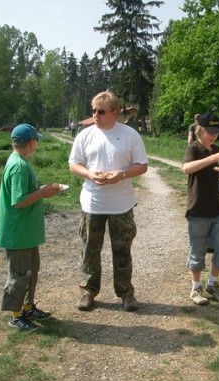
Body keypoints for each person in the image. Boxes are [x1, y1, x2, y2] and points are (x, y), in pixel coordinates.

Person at [69, 91, 148, 312]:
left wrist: (121, 175)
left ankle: (125, 294)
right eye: (93, 110)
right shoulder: (85, 136)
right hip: (92, 203)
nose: (95, 115)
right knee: (90, 250)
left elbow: (142, 165)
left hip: (121, 205)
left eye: (101, 111)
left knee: (122, 250)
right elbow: (74, 164)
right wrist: (89, 175)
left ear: (114, 112)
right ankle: (88, 292)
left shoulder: (130, 135)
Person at [0, 123, 61, 331]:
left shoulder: (19, 161)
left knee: (31, 270)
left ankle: (28, 307)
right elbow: (18, 201)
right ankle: (16, 315)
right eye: (37, 141)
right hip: (18, 233)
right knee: (19, 274)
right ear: (31, 143)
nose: (37, 144)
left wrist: (41, 189)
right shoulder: (19, 166)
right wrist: (43, 192)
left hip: (26, 233)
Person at [183, 112, 219, 305]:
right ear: (200, 131)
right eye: (210, 132)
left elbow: (217, 174)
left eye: (217, 132)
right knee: (198, 251)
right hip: (198, 209)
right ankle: (196, 288)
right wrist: (212, 159)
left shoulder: (217, 149)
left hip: (217, 208)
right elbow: (186, 169)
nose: (214, 136)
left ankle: (212, 284)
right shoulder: (193, 148)